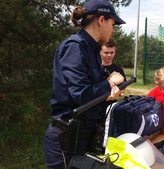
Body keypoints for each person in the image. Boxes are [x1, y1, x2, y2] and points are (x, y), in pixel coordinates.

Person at [43, 0, 126, 168]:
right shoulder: (75, 47)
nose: (113, 28)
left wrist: (108, 96)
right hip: (66, 140)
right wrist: (110, 82)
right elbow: (82, 95)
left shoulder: (92, 50)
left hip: (83, 137)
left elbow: (91, 92)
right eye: (113, 23)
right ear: (101, 20)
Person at [100, 37, 127, 107]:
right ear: (100, 52)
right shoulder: (94, 69)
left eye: (112, 52)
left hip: (111, 106)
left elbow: (122, 90)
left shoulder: (119, 70)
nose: (109, 55)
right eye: (106, 52)